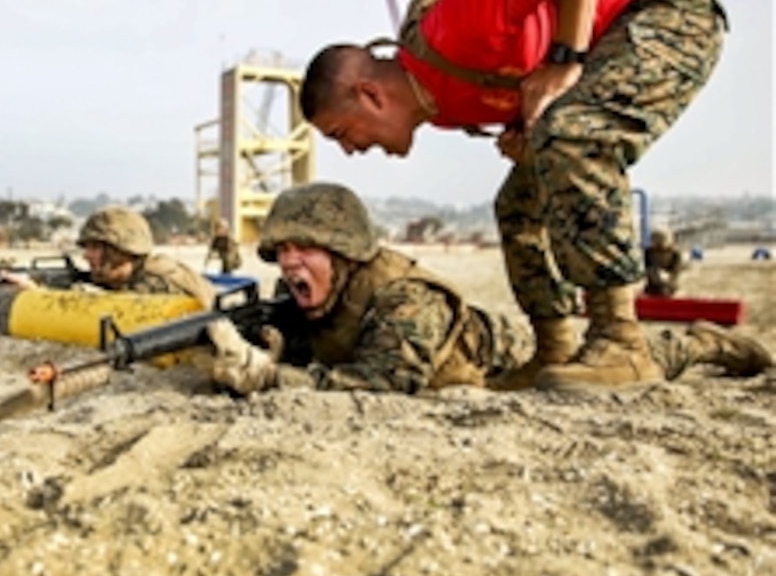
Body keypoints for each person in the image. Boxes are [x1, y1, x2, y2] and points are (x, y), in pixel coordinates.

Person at [296, 0, 728, 389]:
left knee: (571, 135)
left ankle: (620, 341)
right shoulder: (438, 107)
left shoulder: (453, 30)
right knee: (518, 203)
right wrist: (529, 129)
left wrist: (567, 60)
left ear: (370, 95)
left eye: (341, 134)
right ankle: (556, 349)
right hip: (607, 51)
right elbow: (529, 80)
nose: (351, 151)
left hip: (660, 16)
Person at [203, 183, 771, 396]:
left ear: (347, 252)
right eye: (281, 252)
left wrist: (275, 375)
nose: (289, 262)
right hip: (463, 369)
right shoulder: (310, 292)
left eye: (305, 248)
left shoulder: (406, 300)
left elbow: (381, 383)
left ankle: (701, 342)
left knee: (618, 374)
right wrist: (277, 346)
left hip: (509, 359)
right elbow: (320, 344)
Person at [3, 205, 217, 307]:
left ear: (121, 251)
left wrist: (38, 294)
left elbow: (117, 308)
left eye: (95, 248)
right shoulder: (129, 274)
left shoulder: (158, 278)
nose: (86, 256)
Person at [644, 228, 684, 297]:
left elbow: (675, 272)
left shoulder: (675, 253)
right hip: (653, 285)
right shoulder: (649, 252)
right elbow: (648, 268)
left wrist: (667, 277)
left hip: (670, 285)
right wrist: (654, 274)